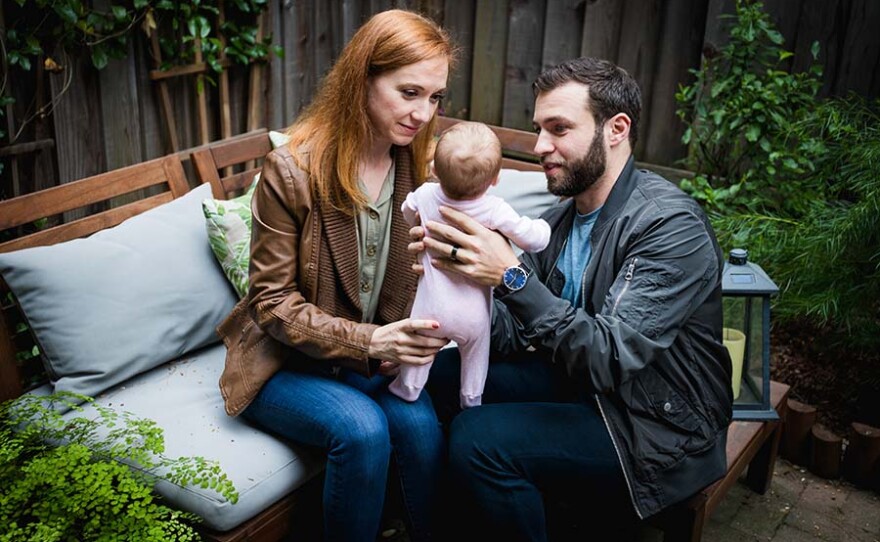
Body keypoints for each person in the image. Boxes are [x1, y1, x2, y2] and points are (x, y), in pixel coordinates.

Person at [416, 57, 734, 541]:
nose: (542, 146)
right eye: (540, 129)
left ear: (616, 128)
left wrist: (510, 277)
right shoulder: (563, 220)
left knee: (479, 442)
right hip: (581, 388)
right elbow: (510, 330)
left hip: (655, 428)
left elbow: (608, 356)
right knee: (440, 378)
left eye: (559, 129)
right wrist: (460, 276)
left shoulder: (669, 226)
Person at [216, 10, 455, 542]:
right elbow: (272, 303)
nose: (423, 113)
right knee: (361, 429)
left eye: (435, 97)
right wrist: (372, 339)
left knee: (418, 428)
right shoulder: (293, 170)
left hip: (365, 357)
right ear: (363, 78)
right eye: (409, 91)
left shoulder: (416, 164)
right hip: (284, 362)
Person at [389, 122, 551, 408]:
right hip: (474, 316)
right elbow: (533, 240)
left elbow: (406, 210)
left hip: (430, 308)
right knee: (476, 358)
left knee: (418, 353)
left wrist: (419, 224)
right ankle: (471, 400)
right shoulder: (494, 209)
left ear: (434, 171)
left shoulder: (425, 194)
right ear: (496, 180)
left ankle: (408, 387)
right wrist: (543, 228)